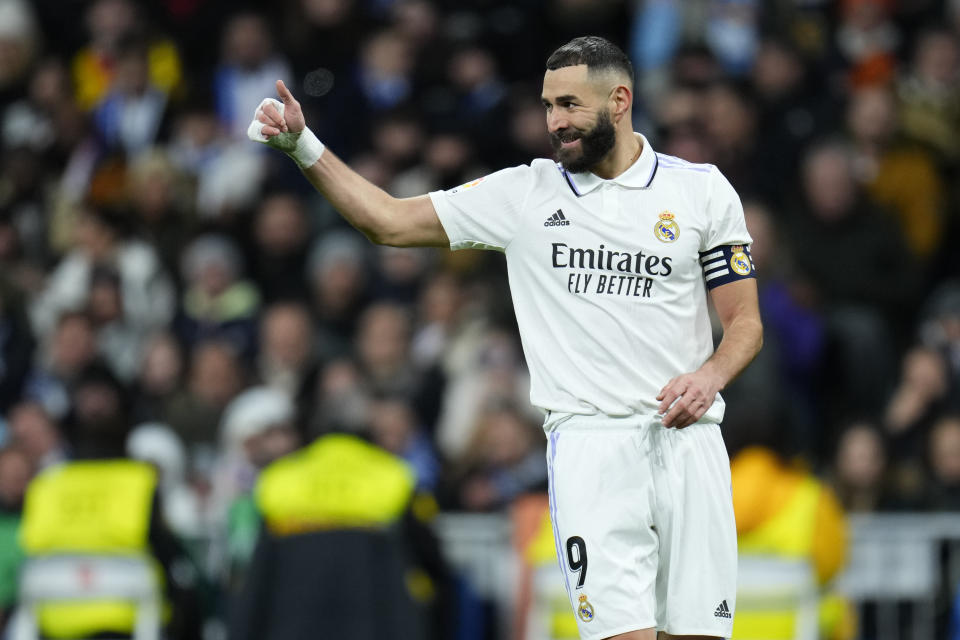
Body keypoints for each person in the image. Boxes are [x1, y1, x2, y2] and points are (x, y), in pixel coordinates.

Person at [249, 35, 762, 640]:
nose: (555, 123)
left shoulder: (700, 190)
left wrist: (711, 376)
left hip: (691, 445)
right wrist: (302, 146)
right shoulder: (524, 194)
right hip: (593, 449)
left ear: (620, 100)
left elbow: (745, 324)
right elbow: (384, 220)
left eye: (570, 105)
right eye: (548, 106)